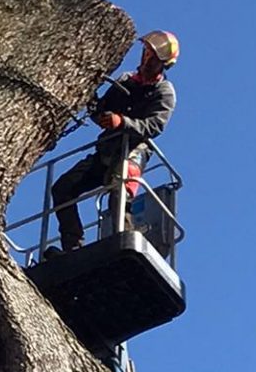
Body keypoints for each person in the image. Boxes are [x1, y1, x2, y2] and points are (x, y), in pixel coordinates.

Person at [51, 30, 179, 251]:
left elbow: (154, 126)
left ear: (163, 64)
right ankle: (72, 245)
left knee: (119, 193)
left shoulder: (164, 92)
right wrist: (93, 103)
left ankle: (124, 244)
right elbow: (102, 110)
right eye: (146, 53)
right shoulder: (126, 80)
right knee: (63, 188)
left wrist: (122, 122)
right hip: (106, 150)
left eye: (153, 58)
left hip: (133, 150)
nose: (147, 59)